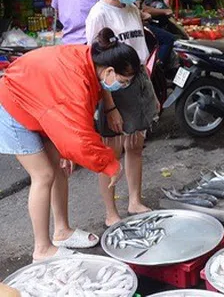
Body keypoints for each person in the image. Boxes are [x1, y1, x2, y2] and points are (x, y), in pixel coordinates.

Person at [0, 27, 140, 261]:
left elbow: (76, 119)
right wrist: (110, 164)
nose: (123, 86)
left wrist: (66, 149)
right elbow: (77, 136)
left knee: (59, 169)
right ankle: (42, 249)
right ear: (110, 71)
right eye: (123, 81)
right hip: (12, 106)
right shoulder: (75, 78)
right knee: (43, 175)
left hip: (39, 103)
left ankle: (62, 231)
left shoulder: (88, 64)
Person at [86, 0, 159, 227]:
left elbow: (140, 53)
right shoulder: (99, 14)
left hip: (138, 79)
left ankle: (135, 200)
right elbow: (96, 64)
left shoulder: (131, 10)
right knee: (111, 152)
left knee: (136, 146)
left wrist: (148, 91)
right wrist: (110, 105)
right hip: (114, 86)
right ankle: (110, 213)